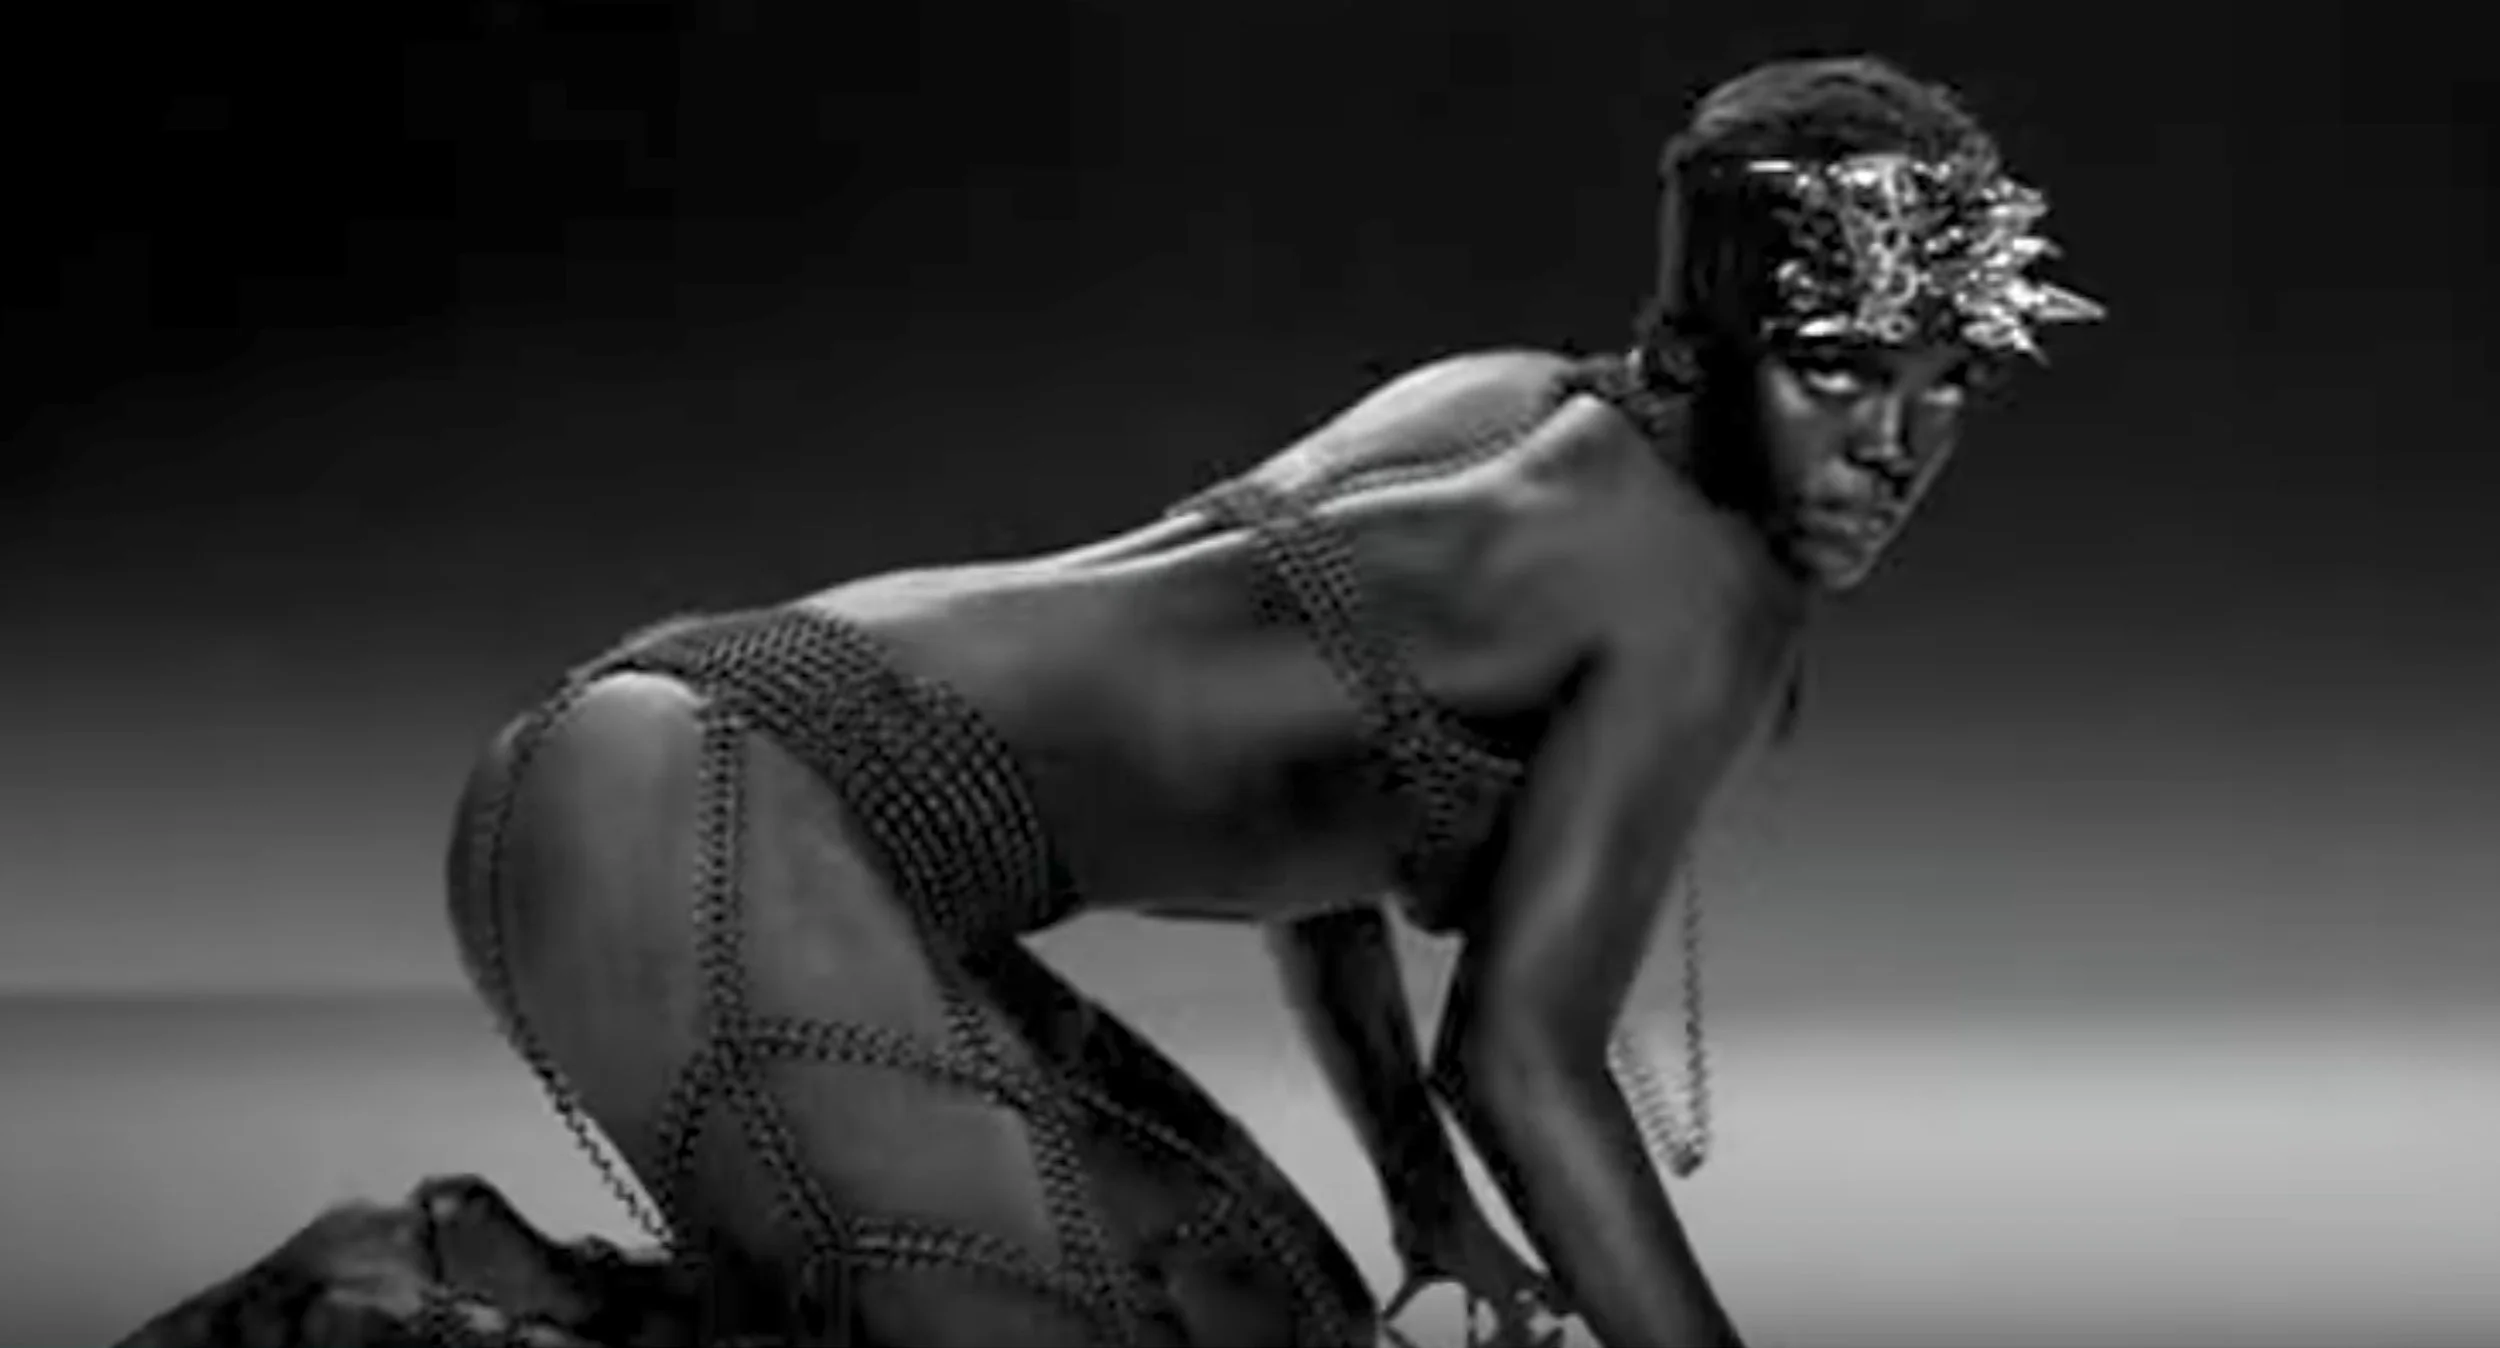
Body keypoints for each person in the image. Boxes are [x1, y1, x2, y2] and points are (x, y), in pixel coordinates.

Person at [443, 53, 2102, 1348]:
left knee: (1263, 1322)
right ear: (1710, 344)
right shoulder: (1695, 593)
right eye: (1835, 370)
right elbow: (1523, 1062)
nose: (1896, 446)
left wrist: (1418, 1200)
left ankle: (491, 1280)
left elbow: (1323, 821)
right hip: (699, 821)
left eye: (1946, 382)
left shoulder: (1503, 402)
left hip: (693, 762)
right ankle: (405, 1305)